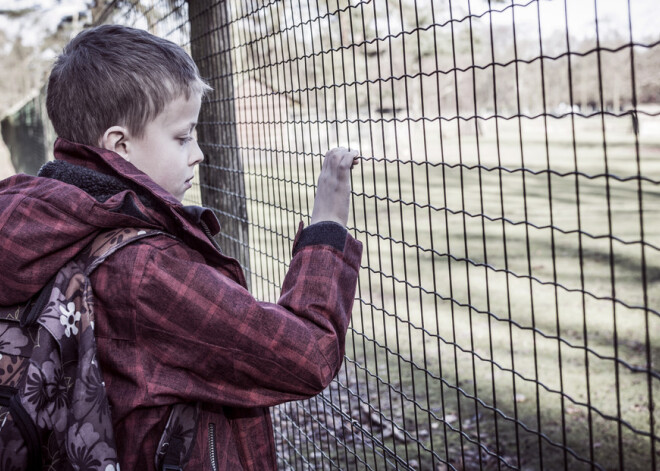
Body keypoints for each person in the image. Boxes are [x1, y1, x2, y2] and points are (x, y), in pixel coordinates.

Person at [0, 24, 362, 470]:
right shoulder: (146, 270)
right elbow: (307, 356)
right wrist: (326, 230)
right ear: (121, 145)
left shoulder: (44, 219)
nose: (198, 154)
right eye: (182, 136)